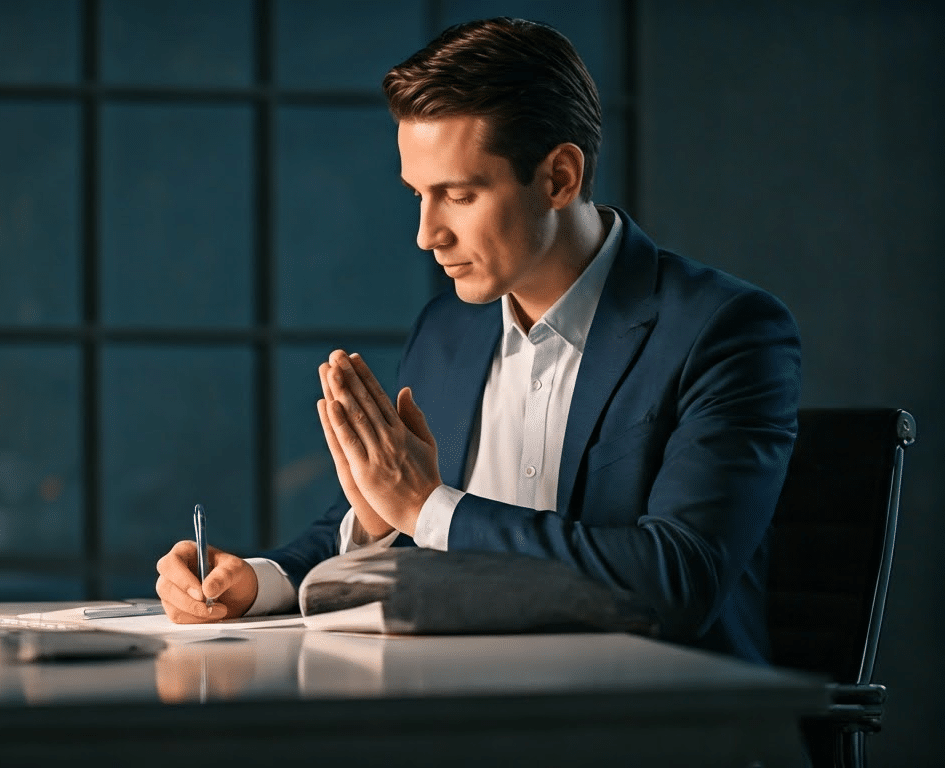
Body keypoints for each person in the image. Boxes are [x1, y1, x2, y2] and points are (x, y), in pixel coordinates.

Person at [154, 17, 800, 663]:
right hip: (461, 707)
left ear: (558, 178)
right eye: (417, 195)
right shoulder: (447, 330)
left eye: (458, 195)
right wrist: (257, 581)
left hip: (653, 720)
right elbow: (386, 516)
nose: (427, 234)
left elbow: (678, 581)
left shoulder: (725, 330)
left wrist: (430, 508)